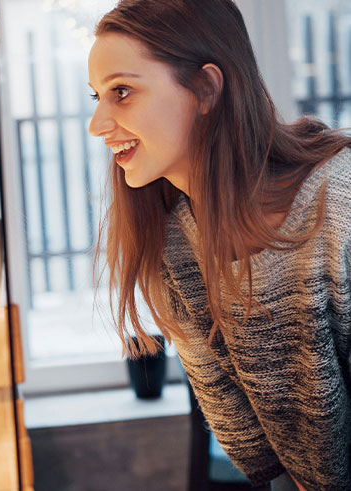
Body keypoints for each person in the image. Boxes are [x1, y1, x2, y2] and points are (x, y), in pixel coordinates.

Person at [87, 1, 351, 490]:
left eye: (121, 92)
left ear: (205, 89)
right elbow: (265, 462)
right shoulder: (174, 249)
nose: (97, 124)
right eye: (97, 97)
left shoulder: (343, 202)